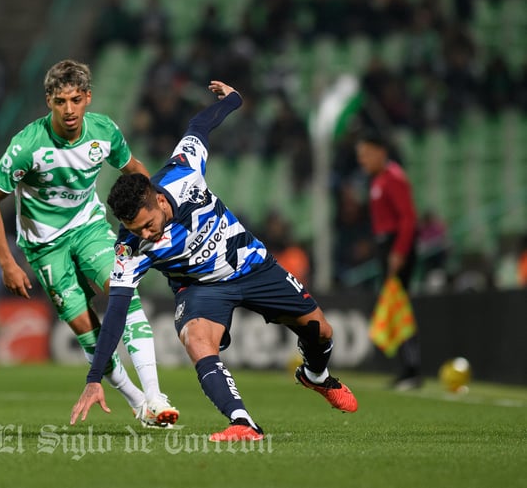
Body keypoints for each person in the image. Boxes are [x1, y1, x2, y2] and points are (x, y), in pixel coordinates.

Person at [70, 81, 357, 443]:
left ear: (159, 201)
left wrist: (234, 99)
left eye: (146, 226)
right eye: (134, 230)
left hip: (253, 266)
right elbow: (115, 312)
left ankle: (315, 376)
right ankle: (243, 423)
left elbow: (199, 127)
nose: (144, 235)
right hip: (201, 288)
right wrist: (94, 378)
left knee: (321, 332)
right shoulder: (130, 247)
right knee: (196, 339)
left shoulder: (184, 173)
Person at [0, 59, 178, 427]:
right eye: (60, 101)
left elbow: (133, 169)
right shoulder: (27, 146)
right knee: (89, 335)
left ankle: (155, 395)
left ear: (87, 98)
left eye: (75, 99)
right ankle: (138, 403)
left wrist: (157, 208)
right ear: (48, 102)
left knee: (123, 291)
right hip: (44, 248)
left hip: (89, 228)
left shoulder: (104, 132)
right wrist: (7, 262)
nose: (68, 110)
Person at [355, 130, 423, 389]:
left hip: (396, 246)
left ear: (380, 152)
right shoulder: (378, 180)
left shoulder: (394, 178)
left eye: (365, 155)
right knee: (396, 308)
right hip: (386, 246)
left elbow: (407, 218)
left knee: (399, 307)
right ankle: (407, 368)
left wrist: (399, 252)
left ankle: (412, 369)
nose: (362, 161)